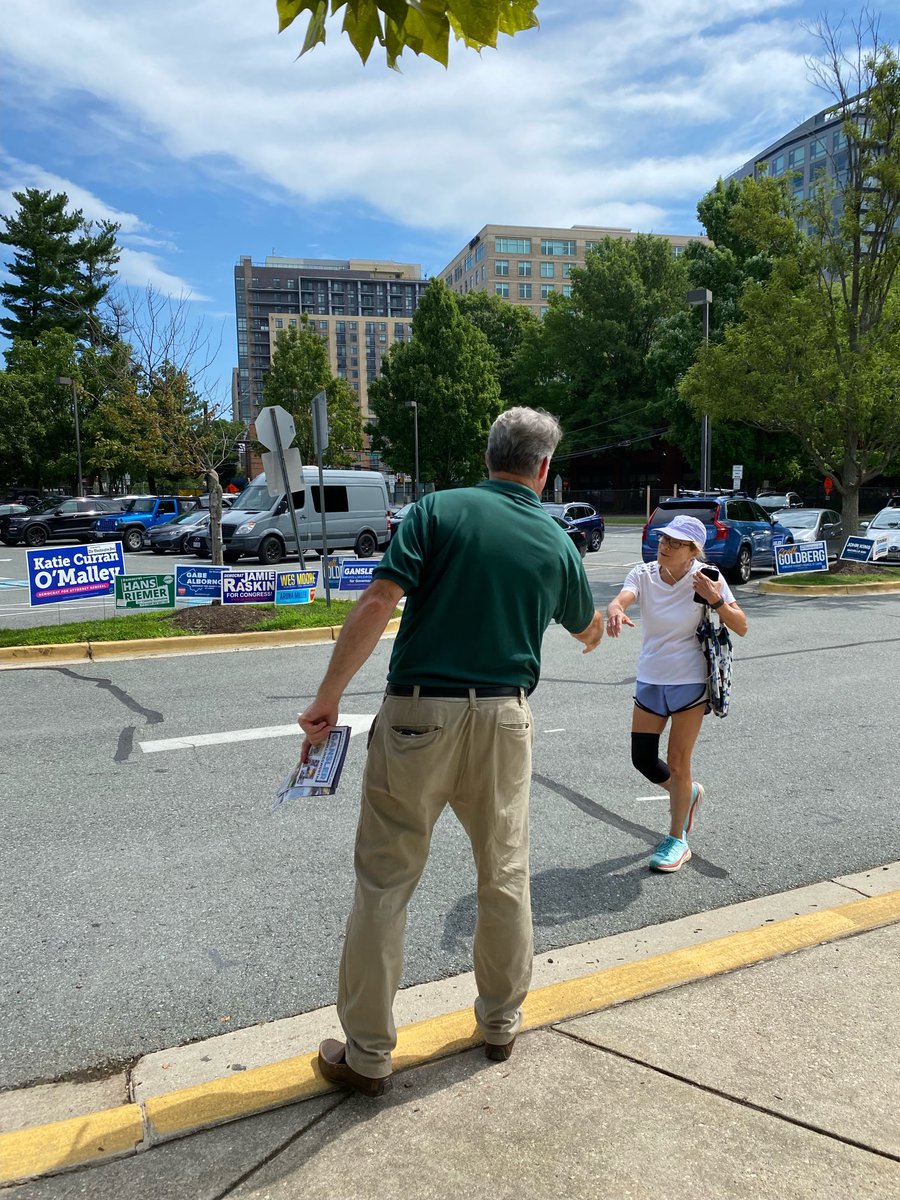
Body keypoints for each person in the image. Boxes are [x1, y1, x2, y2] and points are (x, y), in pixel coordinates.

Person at [298, 407, 604, 1097]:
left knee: (386, 881)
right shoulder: (557, 542)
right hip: (504, 718)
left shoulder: (436, 512)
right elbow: (586, 628)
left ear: (489, 453)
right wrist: (601, 623)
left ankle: (368, 1054)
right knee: (504, 873)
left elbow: (380, 600)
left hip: (417, 716)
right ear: (544, 469)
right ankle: (500, 1022)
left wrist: (328, 697)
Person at [605, 514, 747, 873]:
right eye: (663, 539)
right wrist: (616, 608)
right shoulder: (645, 573)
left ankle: (677, 839)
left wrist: (715, 599)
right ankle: (688, 793)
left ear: (693, 551)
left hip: (689, 680)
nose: (664, 546)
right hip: (651, 677)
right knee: (643, 758)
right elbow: (625, 597)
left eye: (675, 543)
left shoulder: (708, 577)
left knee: (679, 762)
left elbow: (741, 625)